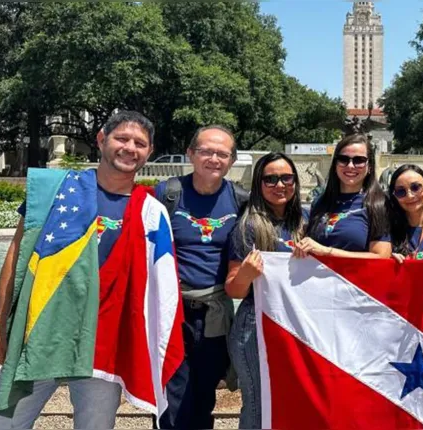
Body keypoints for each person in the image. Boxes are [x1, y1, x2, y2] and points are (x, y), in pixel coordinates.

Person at [0, 111, 179, 429]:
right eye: (122, 138)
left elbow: (160, 288)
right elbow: (16, 254)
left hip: (105, 344)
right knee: (3, 424)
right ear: (101, 140)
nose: (130, 147)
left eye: (139, 143)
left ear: (149, 152)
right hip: (42, 330)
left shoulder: (151, 212)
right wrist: (0, 323)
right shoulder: (54, 190)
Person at [153, 125, 248, 429]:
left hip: (214, 316)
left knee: (205, 398)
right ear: (191, 153)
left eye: (222, 153)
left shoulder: (240, 200)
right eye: (206, 151)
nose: (214, 158)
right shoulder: (165, 194)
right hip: (171, 314)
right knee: (170, 401)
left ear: (232, 160)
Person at [224, 152, 307, 429]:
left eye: (286, 178)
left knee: (293, 400)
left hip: (297, 323)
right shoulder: (248, 227)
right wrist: (246, 275)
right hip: (255, 325)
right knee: (259, 404)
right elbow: (234, 289)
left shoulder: (305, 222)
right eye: (270, 179)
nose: (279, 184)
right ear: (258, 184)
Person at [296, 134, 391, 259]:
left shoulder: (379, 204)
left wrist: (327, 251)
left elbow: (381, 256)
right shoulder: (320, 202)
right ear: (335, 165)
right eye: (343, 159)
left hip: (354, 278)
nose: (350, 166)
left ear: (370, 167)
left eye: (359, 160)